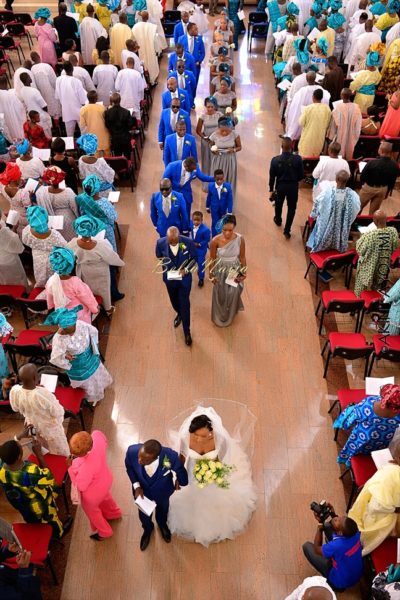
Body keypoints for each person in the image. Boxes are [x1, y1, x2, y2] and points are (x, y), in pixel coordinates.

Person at [167, 404, 257, 545]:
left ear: (211, 431)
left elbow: (219, 461)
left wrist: (212, 473)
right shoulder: (185, 438)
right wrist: (179, 476)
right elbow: (182, 457)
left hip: (212, 471)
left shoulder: (222, 441)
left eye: (203, 435)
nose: (198, 439)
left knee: (212, 491)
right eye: (195, 435)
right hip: (192, 469)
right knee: (192, 489)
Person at [125, 439, 188, 551]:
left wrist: (180, 481)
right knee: (144, 515)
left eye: (144, 459)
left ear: (155, 457)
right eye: (139, 456)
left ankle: (162, 525)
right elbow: (129, 467)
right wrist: (136, 486)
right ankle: (147, 530)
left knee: (163, 510)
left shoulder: (170, 457)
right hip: (143, 493)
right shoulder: (132, 451)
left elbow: (180, 470)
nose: (139, 460)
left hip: (163, 492)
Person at [0, 438, 68, 538]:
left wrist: (20, 436)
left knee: (32, 519)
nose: (21, 446)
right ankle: (59, 532)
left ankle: (38, 527)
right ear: (19, 456)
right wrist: (39, 454)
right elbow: (48, 478)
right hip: (39, 505)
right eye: (20, 447)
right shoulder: (31, 472)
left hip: (22, 504)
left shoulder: (2, 468)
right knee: (50, 518)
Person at [46, 305, 112, 405]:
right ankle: (92, 397)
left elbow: (93, 331)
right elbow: (56, 357)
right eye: (68, 332)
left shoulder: (80, 324)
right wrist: (65, 356)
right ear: (61, 327)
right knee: (87, 382)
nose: (72, 334)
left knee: (96, 374)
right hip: (77, 365)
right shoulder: (58, 339)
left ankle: (100, 388)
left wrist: (93, 344)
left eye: (73, 330)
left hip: (90, 356)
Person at [68, 430, 122, 541]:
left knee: (93, 513)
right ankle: (114, 513)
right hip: (106, 479)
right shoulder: (96, 438)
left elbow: (81, 486)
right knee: (106, 498)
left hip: (92, 496)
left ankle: (105, 532)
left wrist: (70, 468)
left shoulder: (85, 467)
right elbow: (101, 437)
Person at [349, 441, 400, 555]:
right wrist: (395, 510)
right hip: (378, 515)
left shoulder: (390, 468)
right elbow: (378, 506)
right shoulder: (392, 473)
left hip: (374, 505)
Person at [68, 215, 125, 313]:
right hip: (101, 271)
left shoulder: (72, 244)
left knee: (89, 289)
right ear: (93, 228)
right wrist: (120, 263)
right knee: (104, 290)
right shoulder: (101, 244)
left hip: (84, 270)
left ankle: (93, 307)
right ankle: (107, 308)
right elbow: (111, 257)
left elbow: (69, 256)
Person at [10, 363, 69, 456]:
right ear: (34, 378)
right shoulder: (43, 394)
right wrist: (42, 391)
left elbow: (15, 408)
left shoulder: (15, 391)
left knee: (41, 444)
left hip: (33, 424)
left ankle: (45, 456)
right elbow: (59, 412)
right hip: (50, 428)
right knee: (59, 449)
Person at [334, 384, 400, 466]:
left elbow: (354, 415)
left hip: (362, 439)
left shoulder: (369, 402)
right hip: (382, 440)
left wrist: (347, 424)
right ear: (396, 410)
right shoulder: (397, 416)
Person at [302, 504, 363, 590]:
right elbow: (342, 526)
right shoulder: (355, 532)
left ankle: (332, 585)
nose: (336, 518)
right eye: (340, 518)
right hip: (354, 576)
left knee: (307, 547)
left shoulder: (336, 545)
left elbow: (317, 549)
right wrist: (333, 514)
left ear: (341, 533)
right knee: (328, 526)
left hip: (338, 582)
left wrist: (320, 526)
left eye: (337, 520)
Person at [155, 226, 197, 346]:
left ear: (179, 237)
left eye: (175, 241)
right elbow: (158, 256)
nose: (173, 243)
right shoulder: (160, 243)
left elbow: (194, 258)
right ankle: (179, 313)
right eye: (170, 242)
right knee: (174, 300)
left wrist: (187, 269)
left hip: (184, 280)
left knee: (185, 304)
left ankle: (187, 332)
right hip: (170, 278)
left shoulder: (188, 242)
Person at [307, 171, 361, 253]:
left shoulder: (327, 192)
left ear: (336, 179)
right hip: (342, 227)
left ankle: (321, 249)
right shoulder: (353, 195)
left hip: (325, 226)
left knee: (319, 233)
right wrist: (346, 221)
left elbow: (317, 205)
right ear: (347, 180)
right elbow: (356, 209)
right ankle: (338, 252)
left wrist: (313, 215)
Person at [209, 214, 246, 327]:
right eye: (224, 230)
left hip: (234, 269)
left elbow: (242, 257)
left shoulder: (240, 239)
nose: (227, 233)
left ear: (234, 227)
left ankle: (231, 312)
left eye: (230, 230)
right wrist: (211, 274)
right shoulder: (215, 241)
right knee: (221, 294)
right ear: (221, 228)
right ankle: (220, 316)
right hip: (220, 270)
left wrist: (244, 272)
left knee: (232, 293)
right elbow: (212, 259)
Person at [45, 246, 99, 323]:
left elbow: (50, 298)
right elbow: (87, 298)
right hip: (79, 316)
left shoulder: (50, 281)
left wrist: (51, 306)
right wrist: (95, 309)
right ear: (71, 266)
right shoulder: (75, 282)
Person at [354, 210, 398, 296]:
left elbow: (360, 250)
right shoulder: (393, 232)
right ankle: (374, 300)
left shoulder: (370, 235)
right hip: (383, 264)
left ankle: (358, 300)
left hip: (368, 266)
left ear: (375, 221)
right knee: (378, 285)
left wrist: (361, 237)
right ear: (386, 219)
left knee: (361, 285)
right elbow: (395, 246)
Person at [22, 205, 67, 287]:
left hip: (37, 259)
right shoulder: (54, 234)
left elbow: (25, 242)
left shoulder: (26, 231)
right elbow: (65, 246)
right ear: (46, 219)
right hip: (53, 260)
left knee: (41, 278)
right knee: (54, 281)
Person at [269, 136, 304, 239]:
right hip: (293, 187)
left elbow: (272, 177)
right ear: (292, 147)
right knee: (292, 208)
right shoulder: (298, 159)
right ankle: (287, 230)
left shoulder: (275, 160)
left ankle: (278, 220)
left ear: (282, 146)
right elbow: (301, 176)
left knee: (279, 204)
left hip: (280, 187)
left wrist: (271, 190)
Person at [36, 166, 79, 242]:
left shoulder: (42, 192)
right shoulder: (68, 192)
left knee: (60, 240)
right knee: (72, 240)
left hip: (53, 220)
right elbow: (75, 207)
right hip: (68, 219)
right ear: (61, 179)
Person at [76, 174, 118, 251]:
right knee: (109, 249)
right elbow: (114, 217)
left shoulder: (82, 201)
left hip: (91, 229)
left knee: (97, 250)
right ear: (98, 188)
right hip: (105, 230)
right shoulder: (104, 202)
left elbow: (82, 214)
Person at [286, 71, 330, 140]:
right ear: (315, 78)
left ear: (306, 79)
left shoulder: (302, 91)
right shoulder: (321, 90)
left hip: (304, 120)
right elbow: (327, 98)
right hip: (317, 121)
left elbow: (295, 107)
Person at [359, 141, 399, 214]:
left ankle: (354, 224)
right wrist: (387, 192)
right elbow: (392, 180)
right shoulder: (394, 165)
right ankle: (370, 224)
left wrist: (363, 185)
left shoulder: (372, 163)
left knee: (357, 208)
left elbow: (363, 176)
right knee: (374, 213)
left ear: (380, 150)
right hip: (382, 189)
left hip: (368, 188)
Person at [209, 116, 241, 199]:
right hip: (218, 159)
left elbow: (239, 147)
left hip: (229, 159)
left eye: (226, 130)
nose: (224, 132)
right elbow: (211, 146)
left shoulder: (235, 135)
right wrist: (213, 150)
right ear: (219, 127)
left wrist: (233, 149)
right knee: (217, 179)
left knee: (228, 179)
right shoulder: (214, 135)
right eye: (222, 130)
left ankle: (228, 200)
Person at [328, 88, 362, 160]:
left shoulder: (337, 109)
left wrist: (331, 138)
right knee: (348, 156)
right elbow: (358, 126)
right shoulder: (357, 108)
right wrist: (354, 137)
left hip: (340, 137)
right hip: (351, 137)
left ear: (341, 96)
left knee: (339, 156)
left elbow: (333, 127)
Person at [55, 61, 87, 138]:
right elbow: (83, 100)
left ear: (64, 70)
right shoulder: (76, 81)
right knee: (84, 132)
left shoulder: (58, 80)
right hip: (79, 111)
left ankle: (70, 149)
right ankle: (84, 149)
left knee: (69, 135)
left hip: (67, 111)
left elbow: (57, 96)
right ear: (72, 69)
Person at [0, 162, 31, 238]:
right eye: (20, 176)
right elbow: (28, 207)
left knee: (17, 232)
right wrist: (30, 196)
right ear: (15, 179)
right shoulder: (23, 192)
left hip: (13, 213)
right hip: (24, 217)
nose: (21, 178)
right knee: (25, 234)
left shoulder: (3, 187)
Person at [298, 88, 331, 157]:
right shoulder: (327, 109)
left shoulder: (308, 108)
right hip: (319, 138)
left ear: (313, 97)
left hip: (308, 138)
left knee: (304, 157)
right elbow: (328, 124)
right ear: (321, 98)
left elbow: (301, 122)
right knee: (314, 158)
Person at [18, 73, 52, 139]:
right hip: (40, 116)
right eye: (29, 77)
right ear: (28, 80)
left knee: (38, 136)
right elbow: (44, 105)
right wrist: (47, 113)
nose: (31, 78)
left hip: (31, 117)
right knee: (47, 135)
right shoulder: (34, 91)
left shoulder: (22, 90)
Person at [104, 92, 136, 159]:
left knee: (117, 157)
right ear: (120, 100)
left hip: (115, 139)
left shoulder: (107, 113)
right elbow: (130, 125)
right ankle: (128, 168)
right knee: (127, 157)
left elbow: (107, 125)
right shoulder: (126, 112)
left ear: (111, 101)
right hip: (125, 139)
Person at [30, 52, 61, 121]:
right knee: (55, 111)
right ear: (39, 56)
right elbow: (54, 81)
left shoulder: (32, 69)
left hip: (41, 94)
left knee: (47, 112)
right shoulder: (47, 66)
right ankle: (57, 125)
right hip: (51, 92)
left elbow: (33, 83)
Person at [132, 11, 160, 85]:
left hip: (140, 50)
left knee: (142, 65)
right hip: (150, 50)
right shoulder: (152, 27)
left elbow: (133, 39)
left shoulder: (135, 27)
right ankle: (152, 81)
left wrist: (136, 49)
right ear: (147, 17)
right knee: (151, 65)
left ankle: (143, 82)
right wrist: (157, 50)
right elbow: (155, 40)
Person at [79, 91, 111, 157]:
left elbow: (82, 125)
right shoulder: (102, 107)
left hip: (92, 137)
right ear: (96, 99)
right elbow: (107, 121)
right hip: (104, 135)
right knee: (108, 156)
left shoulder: (83, 109)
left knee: (95, 158)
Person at [0, 215, 27, 287]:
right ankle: (23, 294)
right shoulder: (10, 235)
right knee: (17, 283)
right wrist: (14, 229)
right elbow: (19, 249)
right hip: (10, 263)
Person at [206, 169, 233, 238]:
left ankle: (223, 238)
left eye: (221, 179)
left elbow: (230, 199)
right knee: (215, 223)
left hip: (224, 209)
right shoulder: (211, 186)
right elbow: (209, 197)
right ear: (214, 178)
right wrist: (207, 206)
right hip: (214, 209)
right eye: (217, 179)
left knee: (223, 223)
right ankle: (214, 238)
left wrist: (229, 211)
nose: (219, 181)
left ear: (223, 178)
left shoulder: (228, 186)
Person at [178, 22, 206, 86]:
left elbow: (203, 52)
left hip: (196, 66)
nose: (197, 31)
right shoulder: (181, 39)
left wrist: (199, 61)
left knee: (194, 84)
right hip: (185, 66)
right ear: (190, 30)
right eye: (195, 29)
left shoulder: (199, 39)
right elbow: (178, 53)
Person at [0, 75, 25, 143]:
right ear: (6, 83)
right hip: (18, 124)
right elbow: (21, 108)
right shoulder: (14, 93)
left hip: (8, 130)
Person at [191, 210, 210, 287]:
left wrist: (199, 244)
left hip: (201, 250)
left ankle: (201, 278)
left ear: (202, 220)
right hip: (191, 249)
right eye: (194, 220)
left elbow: (207, 240)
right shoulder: (190, 226)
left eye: (198, 220)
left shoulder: (206, 230)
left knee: (201, 264)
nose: (196, 222)